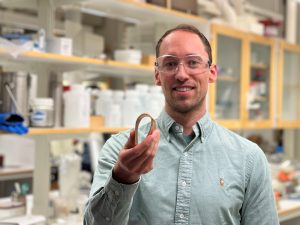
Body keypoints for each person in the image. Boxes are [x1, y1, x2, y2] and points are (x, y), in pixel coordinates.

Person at [83, 24, 279, 225]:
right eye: (170, 64)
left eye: (193, 62)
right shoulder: (120, 149)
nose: (182, 74)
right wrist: (123, 177)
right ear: (157, 75)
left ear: (212, 73)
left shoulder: (249, 158)